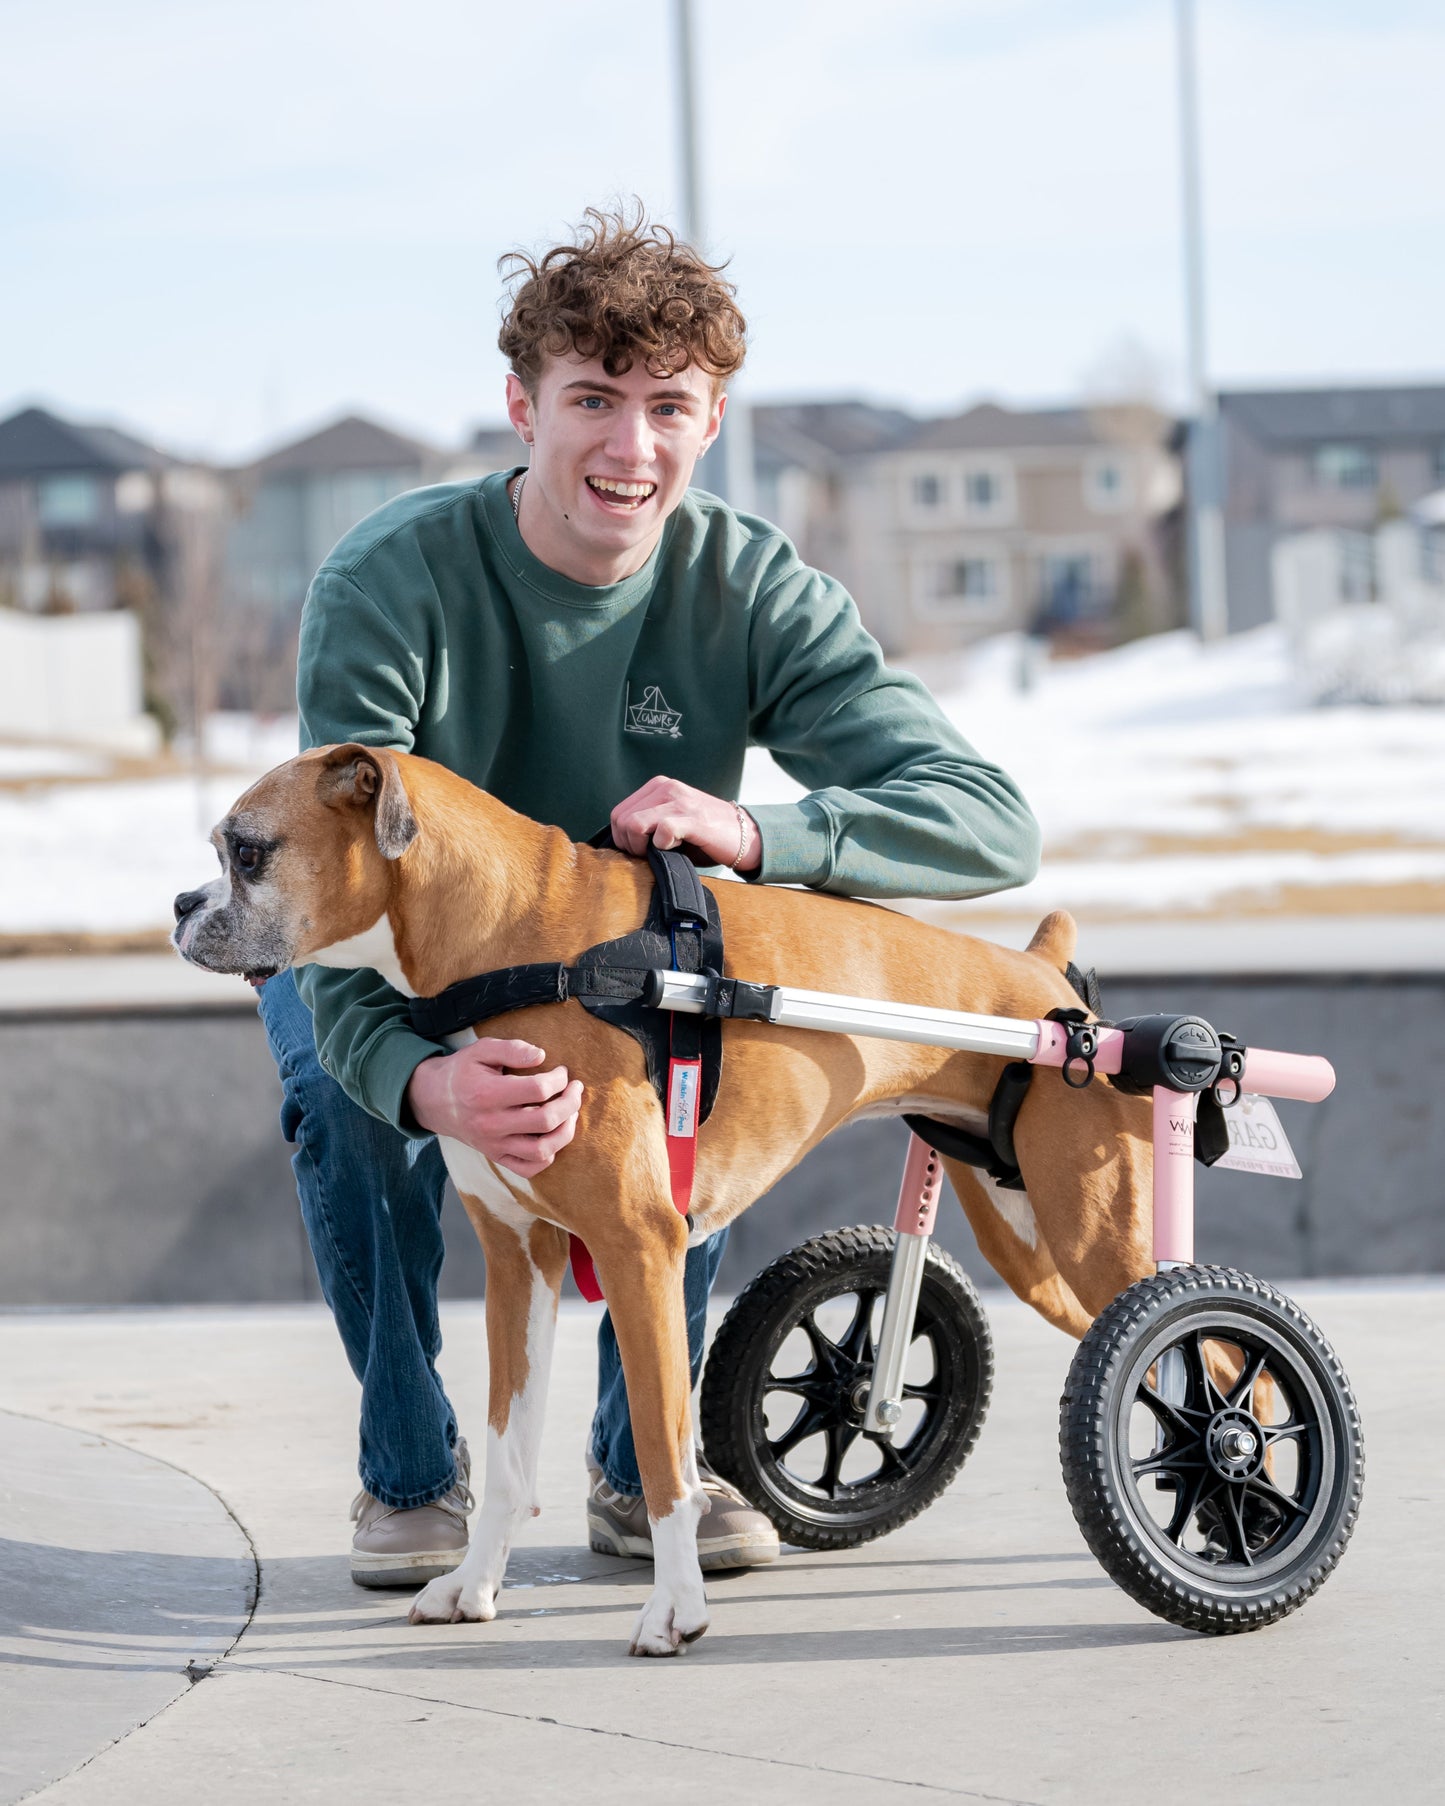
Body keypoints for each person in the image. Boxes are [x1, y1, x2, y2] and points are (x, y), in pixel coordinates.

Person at [257, 205, 1041, 1589]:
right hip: (402, 977)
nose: (629, 446)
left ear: (713, 417)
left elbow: (984, 818)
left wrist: (757, 824)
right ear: (521, 404)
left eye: (666, 404)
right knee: (343, 1095)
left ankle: (640, 1475)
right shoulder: (388, 583)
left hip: (633, 982)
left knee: (698, 1030)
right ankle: (408, 1475)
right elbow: (321, 922)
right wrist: (430, 1086)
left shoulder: (747, 585)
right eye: (591, 399)